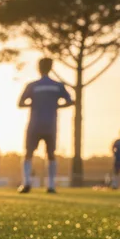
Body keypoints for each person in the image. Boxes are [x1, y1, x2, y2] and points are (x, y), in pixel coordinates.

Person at [17, 57, 73, 194]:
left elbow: (20, 103)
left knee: (29, 153)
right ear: (51, 67)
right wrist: (56, 105)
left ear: (39, 68)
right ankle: (51, 186)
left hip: (34, 124)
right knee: (51, 154)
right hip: (50, 124)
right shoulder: (58, 85)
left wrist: (34, 104)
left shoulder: (32, 86)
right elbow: (70, 101)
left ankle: (26, 183)